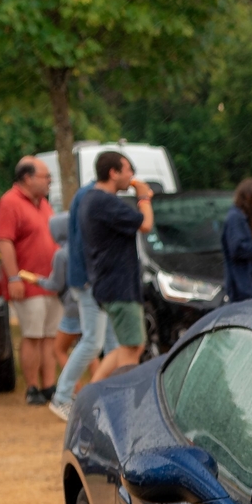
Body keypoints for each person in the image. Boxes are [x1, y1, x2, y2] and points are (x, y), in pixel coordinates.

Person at [79, 150, 155, 387]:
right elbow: (146, 224)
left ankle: (90, 394)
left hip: (110, 283)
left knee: (127, 345)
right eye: (128, 170)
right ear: (113, 173)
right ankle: (123, 399)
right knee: (133, 349)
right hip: (119, 285)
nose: (132, 176)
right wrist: (143, 198)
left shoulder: (91, 199)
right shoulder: (105, 201)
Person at [0, 157, 61, 403]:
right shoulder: (9, 202)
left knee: (50, 335)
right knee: (33, 335)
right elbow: (5, 241)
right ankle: (32, 387)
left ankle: (49, 386)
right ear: (27, 178)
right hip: (28, 283)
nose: (50, 181)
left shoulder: (43, 203)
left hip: (51, 283)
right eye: (45, 177)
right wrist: (14, 277)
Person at [50, 183, 111, 418]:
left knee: (97, 344)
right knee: (92, 344)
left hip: (75, 303)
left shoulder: (62, 251)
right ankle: (64, 395)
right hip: (86, 293)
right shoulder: (74, 247)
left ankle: (88, 392)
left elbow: (55, 284)